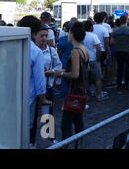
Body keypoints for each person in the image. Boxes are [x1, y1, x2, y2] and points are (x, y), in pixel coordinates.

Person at [18, 16, 53, 149]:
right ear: (34, 33)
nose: (44, 38)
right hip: (29, 96)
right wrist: (43, 98)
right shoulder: (35, 51)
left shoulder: (10, 45)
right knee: (25, 128)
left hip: (12, 93)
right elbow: (39, 80)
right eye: (41, 34)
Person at [54, 22, 90, 141]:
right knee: (77, 120)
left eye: (69, 32)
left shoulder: (75, 51)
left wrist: (62, 73)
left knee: (66, 123)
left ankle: (66, 144)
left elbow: (75, 74)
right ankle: (79, 144)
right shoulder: (84, 49)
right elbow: (83, 70)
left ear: (72, 34)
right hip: (81, 89)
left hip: (73, 90)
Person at [30, 25, 62, 145]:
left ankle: (50, 137)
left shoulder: (51, 50)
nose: (44, 38)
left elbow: (58, 65)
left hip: (47, 86)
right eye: (41, 35)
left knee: (48, 114)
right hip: (32, 88)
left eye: (46, 36)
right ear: (35, 36)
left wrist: (51, 72)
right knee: (32, 116)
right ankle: (31, 141)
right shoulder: (31, 50)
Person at [83, 20, 108, 101]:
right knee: (97, 78)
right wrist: (98, 58)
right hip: (93, 59)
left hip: (84, 59)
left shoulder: (81, 36)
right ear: (91, 27)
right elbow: (98, 48)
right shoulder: (93, 36)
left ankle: (86, 95)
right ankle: (99, 94)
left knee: (85, 79)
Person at [112, 15, 129, 90]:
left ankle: (119, 85)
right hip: (128, 51)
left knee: (119, 68)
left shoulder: (115, 31)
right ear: (126, 21)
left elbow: (111, 42)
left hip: (118, 51)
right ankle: (127, 84)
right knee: (128, 69)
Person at [92, 12, 111, 86]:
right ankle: (102, 83)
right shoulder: (104, 29)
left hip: (93, 50)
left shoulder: (91, 27)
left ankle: (95, 84)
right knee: (103, 67)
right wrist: (108, 52)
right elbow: (106, 42)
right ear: (103, 19)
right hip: (102, 50)